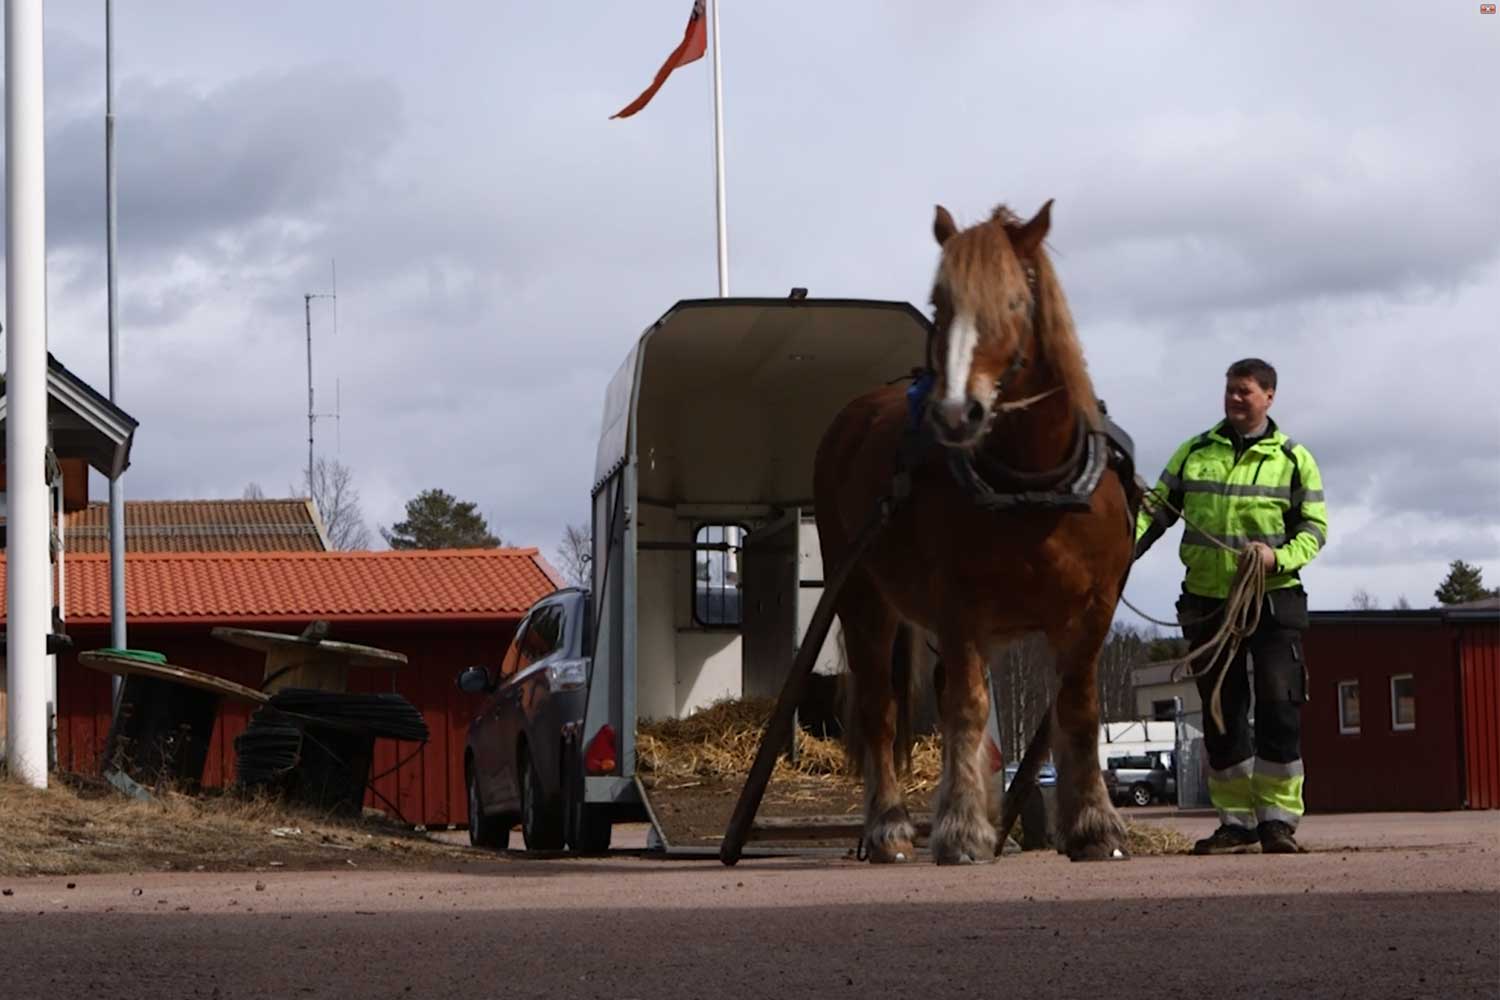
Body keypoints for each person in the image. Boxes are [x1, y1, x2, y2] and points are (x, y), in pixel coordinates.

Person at [1134, 358, 1328, 854]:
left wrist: (1277, 557)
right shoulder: (1194, 452)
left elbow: (1314, 528)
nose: (1235, 398)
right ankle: (1236, 824)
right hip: (1207, 603)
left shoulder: (1294, 458)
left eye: (1244, 390)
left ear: (1269, 396)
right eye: (1230, 390)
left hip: (1272, 599)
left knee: (1279, 706)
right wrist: (1118, 555)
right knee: (1222, 712)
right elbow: (1154, 511)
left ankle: (1277, 822)